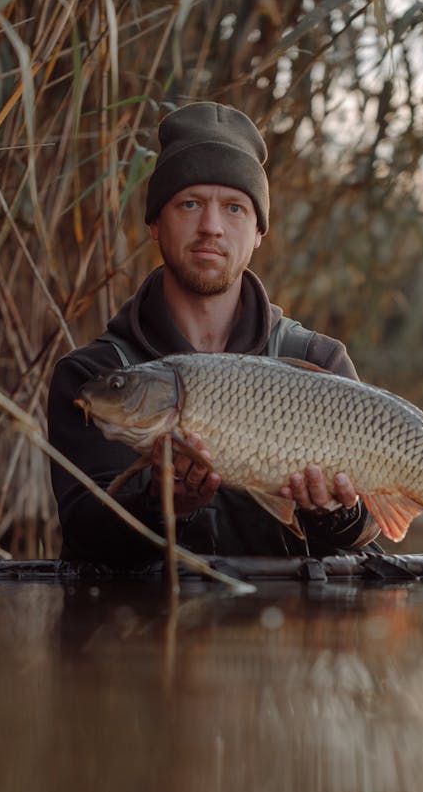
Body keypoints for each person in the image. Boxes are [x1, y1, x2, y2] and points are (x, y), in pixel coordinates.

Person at [48, 102, 379, 567]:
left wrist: (333, 514)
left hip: (284, 629)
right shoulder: (96, 377)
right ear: (154, 223)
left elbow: (366, 538)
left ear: (259, 230)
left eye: (234, 208)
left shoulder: (319, 362)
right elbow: (85, 539)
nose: (211, 227)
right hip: (138, 633)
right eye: (189, 203)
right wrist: (165, 505)